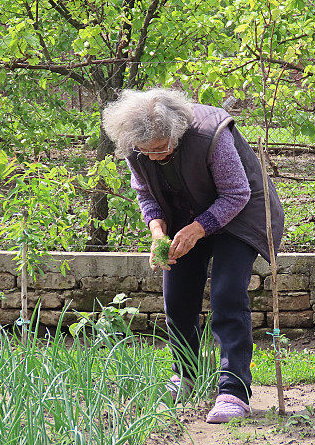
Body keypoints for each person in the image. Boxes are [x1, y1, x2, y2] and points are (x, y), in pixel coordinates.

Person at [102, 88, 284, 423]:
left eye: (161, 150)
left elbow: (236, 193)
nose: (154, 157)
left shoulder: (209, 135)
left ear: (176, 134)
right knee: (178, 295)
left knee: (227, 294)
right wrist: (157, 229)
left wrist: (198, 228)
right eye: (147, 152)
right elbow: (144, 191)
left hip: (241, 215)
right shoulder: (136, 146)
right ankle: (185, 375)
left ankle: (233, 390)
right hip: (183, 213)